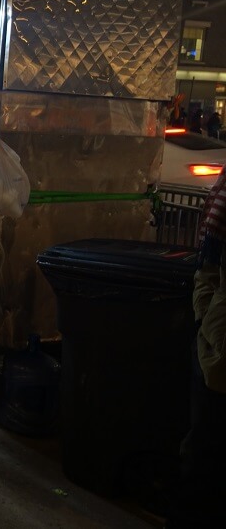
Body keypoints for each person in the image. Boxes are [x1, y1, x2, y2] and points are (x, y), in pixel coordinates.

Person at [168, 172, 226, 526]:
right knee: (205, 452)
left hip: (216, 347)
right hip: (218, 355)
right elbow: (208, 268)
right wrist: (209, 323)